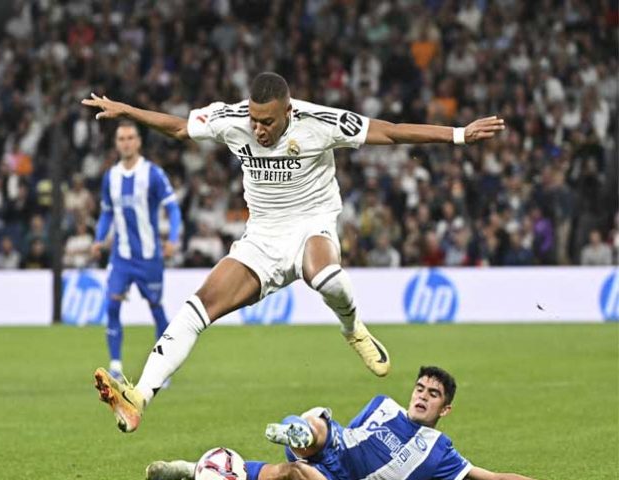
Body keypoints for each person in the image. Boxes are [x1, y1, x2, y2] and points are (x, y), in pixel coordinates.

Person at [82, 72, 505, 433]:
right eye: (254, 120)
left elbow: (390, 131)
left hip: (311, 224)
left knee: (322, 274)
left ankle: (353, 326)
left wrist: (459, 134)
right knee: (197, 307)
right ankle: (139, 398)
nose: (259, 129)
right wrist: (128, 110)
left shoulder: (320, 121)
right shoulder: (233, 120)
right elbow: (177, 127)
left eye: (267, 122)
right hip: (262, 238)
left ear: (288, 112)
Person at [146, 366, 600, 480]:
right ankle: (296, 432)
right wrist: (319, 434)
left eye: (433, 394)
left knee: (293, 477)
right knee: (318, 422)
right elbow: (349, 434)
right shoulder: (384, 406)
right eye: (420, 388)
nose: (422, 395)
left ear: (446, 409)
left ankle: (192, 468)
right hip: (334, 443)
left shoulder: (439, 452)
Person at [91, 120, 182, 381]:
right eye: (121, 139)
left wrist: (173, 238)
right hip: (121, 256)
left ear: (139, 142)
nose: (126, 142)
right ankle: (116, 367)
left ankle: (163, 369)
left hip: (149, 256)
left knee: (156, 309)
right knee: (111, 305)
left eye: (130, 138)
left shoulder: (152, 173)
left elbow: (173, 208)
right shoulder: (111, 176)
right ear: (116, 143)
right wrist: (99, 239)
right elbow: (107, 213)